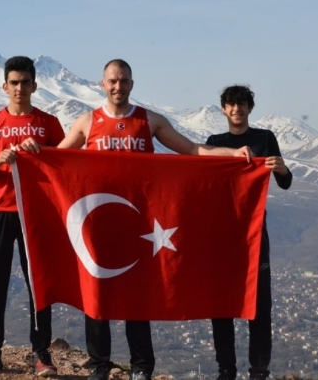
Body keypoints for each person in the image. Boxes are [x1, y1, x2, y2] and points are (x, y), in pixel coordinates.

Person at [57, 59, 252, 380]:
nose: (118, 86)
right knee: (97, 293)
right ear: (102, 85)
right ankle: (99, 365)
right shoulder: (87, 122)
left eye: (124, 81)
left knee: (136, 297)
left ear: (132, 84)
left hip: (140, 225)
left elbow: (190, 150)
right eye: (112, 81)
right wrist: (30, 153)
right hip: (99, 226)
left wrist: (231, 154)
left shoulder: (149, 120)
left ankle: (141, 367)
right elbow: (58, 159)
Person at [0, 56, 64, 377]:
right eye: (14, 83)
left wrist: (43, 154)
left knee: (39, 283)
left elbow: (65, 167)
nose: (20, 88)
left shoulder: (48, 124)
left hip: (36, 214)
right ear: (5, 87)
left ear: (35, 86)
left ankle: (41, 352)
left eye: (26, 82)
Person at [205, 85, 293, 380]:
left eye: (241, 104)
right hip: (221, 235)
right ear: (223, 109)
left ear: (249, 108)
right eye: (231, 104)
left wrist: (280, 168)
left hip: (255, 234)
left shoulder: (265, 138)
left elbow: (286, 182)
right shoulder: (214, 142)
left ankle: (259, 372)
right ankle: (226, 370)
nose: (236, 109)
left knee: (259, 307)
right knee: (222, 306)